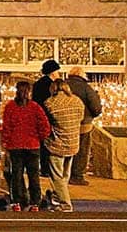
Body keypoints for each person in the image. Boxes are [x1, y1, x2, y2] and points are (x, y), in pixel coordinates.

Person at [0, 80, 51, 212]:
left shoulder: (10, 106)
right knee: (33, 175)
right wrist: (40, 138)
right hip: (32, 145)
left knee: (16, 174)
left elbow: (6, 126)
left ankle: (16, 201)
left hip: (15, 145)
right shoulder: (35, 107)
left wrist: (6, 142)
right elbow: (44, 125)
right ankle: (35, 202)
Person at [43, 78, 86, 213]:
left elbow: (47, 123)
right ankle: (56, 195)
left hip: (57, 144)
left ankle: (65, 204)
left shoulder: (50, 103)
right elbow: (81, 118)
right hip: (73, 142)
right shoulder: (77, 101)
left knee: (56, 175)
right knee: (65, 174)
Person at [66, 66, 102, 186]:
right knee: (82, 150)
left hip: (65, 123)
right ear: (82, 75)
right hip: (83, 124)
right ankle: (77, 175)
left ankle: (64, 173)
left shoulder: (63, 85)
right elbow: (96, 107)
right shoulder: (86, 88)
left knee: (66, 149)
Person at [33, 59, 61, 177]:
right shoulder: (52, 85)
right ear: (53, 72)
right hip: (49, 117)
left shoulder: (37, 84)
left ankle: (44, 167)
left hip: (39, 116)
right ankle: (47, 168)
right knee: (48, 144)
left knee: (42, 144)